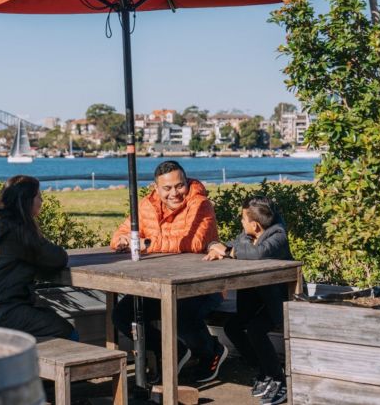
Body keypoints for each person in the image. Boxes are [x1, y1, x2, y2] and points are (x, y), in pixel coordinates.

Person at [110, 160, 228, 383]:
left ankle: (211, 351)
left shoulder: (201, 204)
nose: (174, 193)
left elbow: (194, 242)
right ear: (156, 187)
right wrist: (123, 241)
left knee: (180, 314)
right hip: (158, 286)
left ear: (186, 182)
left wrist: (147, 243)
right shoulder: (145, 206)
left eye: (179, 185)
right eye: (167, 188)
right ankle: (174, 352)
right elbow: (119, 235)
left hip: (203, 286)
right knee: (122, 315)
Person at [203, 195, 291, 405]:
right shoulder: (250, 235)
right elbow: (233, 244)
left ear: (256, 225)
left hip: (280, 300)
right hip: (256, 297)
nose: (241, 223)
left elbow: (258, 253)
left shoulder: (278, 236)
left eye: (244, 220)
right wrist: (215, 247)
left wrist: (228, 250)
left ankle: (279, 379)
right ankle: (264, 370)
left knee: (255, 329)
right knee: (233, 327)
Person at [0, 175, 77, 340]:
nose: (42, 201)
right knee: (68, 331)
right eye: (39, 196)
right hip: (2, 311)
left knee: (46, 318)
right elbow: (58, 258)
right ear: (26, 200)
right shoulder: (18, 230)